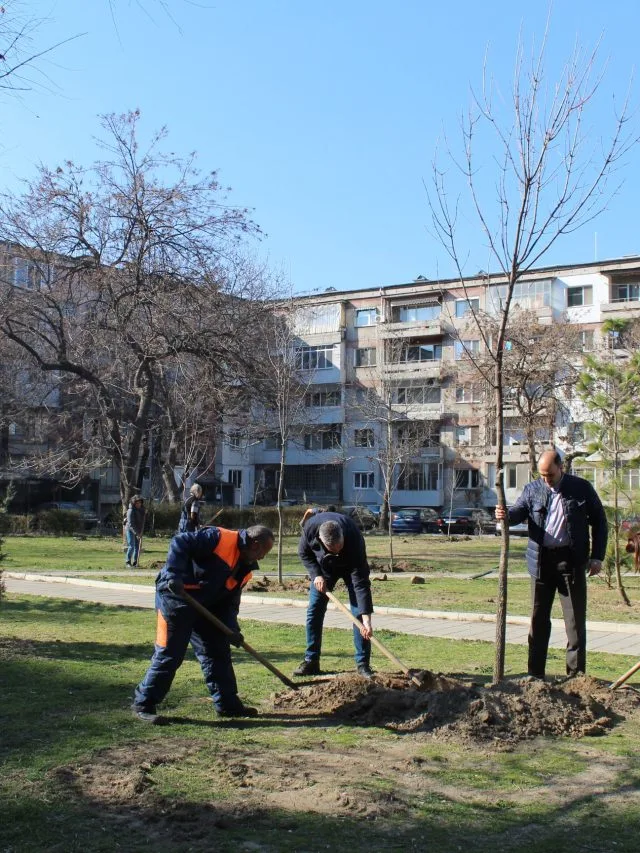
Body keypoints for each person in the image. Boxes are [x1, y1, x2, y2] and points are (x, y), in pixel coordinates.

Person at [132, 524, 274, 723]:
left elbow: (229, 604)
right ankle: (143, 704)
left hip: (206, 605)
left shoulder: (244, 569)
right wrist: (173, 574)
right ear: (255, 544)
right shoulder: (218, 538)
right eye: (263, 552)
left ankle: (227, 705)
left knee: (217, 651)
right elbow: (180, 541)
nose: (262, 558)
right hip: (175, 598)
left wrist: (232, 630)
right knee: (170, 654)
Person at [495, 449, 608, 680]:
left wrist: (597, 556)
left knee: (574, 624)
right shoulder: (532, 489)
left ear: (561, 468)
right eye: (542, 475)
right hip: (541, 564)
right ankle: (535, 676)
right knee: (538, 621)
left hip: (571, 563)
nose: (546, 479)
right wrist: (505, 514)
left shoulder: (581, 488)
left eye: (550, 475)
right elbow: (518, 512)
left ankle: (575, 678)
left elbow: (600, 521)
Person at [293, 511, 374, 678]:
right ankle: (311, 661)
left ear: (342, 536)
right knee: (314, 610)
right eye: (332, 549)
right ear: (321, 540)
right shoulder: (310, 528)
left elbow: (360, 583)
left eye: (340, 547)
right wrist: (316, 575)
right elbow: (303, 553)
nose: (337, 552)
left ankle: (363, 664)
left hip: (352, 568)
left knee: (359, 614)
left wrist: (366, 619)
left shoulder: (354, 537)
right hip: (324, 570)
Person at [125, 495, 145, 568]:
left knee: (137, 547)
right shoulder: (130, 511)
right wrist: (136, 534)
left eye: (140, 503)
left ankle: (135, 563)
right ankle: (128, 562)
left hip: (138, 530)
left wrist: (141, 532)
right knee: (132, 546)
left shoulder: (141, 510)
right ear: (134, 503)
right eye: (137, 503)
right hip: (130, 530)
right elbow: (131, 524)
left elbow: (142, 522)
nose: (139, 504)